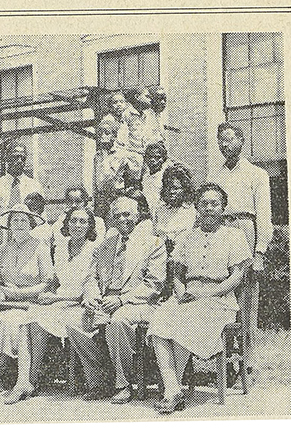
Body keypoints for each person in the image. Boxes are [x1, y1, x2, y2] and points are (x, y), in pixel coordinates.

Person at [148, 183, 252, 414]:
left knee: (185, 320)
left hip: (219, 298)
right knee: (161, 319)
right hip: (188, 295)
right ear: (197, 207)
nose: (208, 208)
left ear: (223, 207)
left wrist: (206, 293)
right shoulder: (187, 236)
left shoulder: (234, 236)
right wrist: (180, 292)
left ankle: (171, 390)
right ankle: (174, 389)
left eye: (214, 203)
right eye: (203, 204)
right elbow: (178, 273)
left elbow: (236, 277)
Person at [68, 191, 167, 404]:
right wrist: (92, 296)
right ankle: (100, 382)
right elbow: (91, 278)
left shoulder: (153, 243)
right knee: (73, 322)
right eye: (118, 215)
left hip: (139, 302)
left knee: (117, 320)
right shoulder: (106, 245)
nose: (123, 219)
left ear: (138, 216)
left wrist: (122, 300)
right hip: (105, 301)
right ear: (112, 219)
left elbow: (154, 283)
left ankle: (123, 384)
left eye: (127, 214)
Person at [208, 122, 273, 370]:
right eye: (220, 141)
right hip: (220, 234)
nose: (224, 145)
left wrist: (259, 253)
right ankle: (227, 364)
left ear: (241, 141)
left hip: (245, 231)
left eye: (229, 139)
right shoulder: (215, 175)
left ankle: (248, 363)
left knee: (246, 301)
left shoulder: (257, 174)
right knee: (223, 298)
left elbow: (264, 217)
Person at [28, 206, 103, 390]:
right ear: (67, 224)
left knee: (65, 319)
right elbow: (55, 279)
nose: (77, 225)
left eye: (82, 221)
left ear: (90, 226)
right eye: (73, 221)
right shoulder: (60, 248)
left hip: (80, 304)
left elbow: (89, 287)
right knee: (34, 319)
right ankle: (32, 378)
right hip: (60, 302)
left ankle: (88, 379)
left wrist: (54, 299)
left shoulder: (94, 250)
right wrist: (46, 292)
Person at [0, 203, 53, 404]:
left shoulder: (40, 247)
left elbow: (47, 284)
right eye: (14, 220)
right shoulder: (3, 248)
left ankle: (23, 382)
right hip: (7, 302)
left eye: (23, 220)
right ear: (9, 224)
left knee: (20, 323)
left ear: (30, 224)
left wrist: (19, 294)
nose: (18, 224)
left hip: (32, 302)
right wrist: (1, 294)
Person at [0, 141, 44, 221]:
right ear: (6, 158)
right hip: (3, 232)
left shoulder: (35, 186)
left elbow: (41, 219)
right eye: (15, 157)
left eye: (23, 158)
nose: (20, 161)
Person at [153, 164, 197, 254]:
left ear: (185, 189)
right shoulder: (159, 210)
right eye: (168, 188)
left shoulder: (193, 211)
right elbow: (154, 238)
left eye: (176, 188)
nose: (171, 191)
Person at [92, 117, 129, 221]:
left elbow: (108, 176)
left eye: (107, 133)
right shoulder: (97, 155)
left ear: (114, 135)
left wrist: (104, 153)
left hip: (115, 195)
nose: (103, 136)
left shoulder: (120, 154)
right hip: (101, 197)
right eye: (100, 133)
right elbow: (95, 180)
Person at [141, 142, 172, 216]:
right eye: (150, 157)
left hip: (163, 214)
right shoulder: (145, 177)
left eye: (157, 157)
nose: (153, 160)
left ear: (163, 159)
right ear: (145, 159)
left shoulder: (166, 176)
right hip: (148, 215)